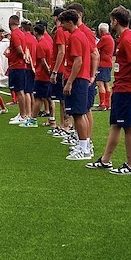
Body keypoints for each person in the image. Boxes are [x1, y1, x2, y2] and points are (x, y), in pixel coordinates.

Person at [87, 6, 131, 174]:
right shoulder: (124, 38)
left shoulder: (128, 39)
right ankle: (106, 160)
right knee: (115, 125)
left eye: (111, 20)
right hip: (121, 88)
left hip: (129, 89)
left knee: (129, 126)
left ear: (115, 21)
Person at [58, 9, 92, 160]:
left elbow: (78, 61)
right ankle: (83, 145)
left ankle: (84, 148)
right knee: (81, 113)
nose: (61, 25)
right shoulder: (79, 35)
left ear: (70, 22)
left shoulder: (75, 37)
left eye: (63, 22)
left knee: (78, 114)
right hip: (80, 78)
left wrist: (69, 82)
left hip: (78, 79)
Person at [49, 8, 72, 137]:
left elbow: (61, 51)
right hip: (65, 68)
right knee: (64, 99)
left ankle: (65, 125)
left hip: (61, 69)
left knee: (63, 99)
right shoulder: (68, 32)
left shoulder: (60, 31)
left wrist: (55, 71)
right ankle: (65, 124)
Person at [6, 15, 28, 125]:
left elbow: (19, 49)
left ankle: (23, 115)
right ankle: (22, 114)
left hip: (16, 65)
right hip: (19, 65)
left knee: (19, 91)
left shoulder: (15, 34)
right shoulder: (21, 33)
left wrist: (21, 56)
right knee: (21, 91)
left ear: (10, 23)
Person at [96, 22, 115, 110]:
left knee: (100, 83)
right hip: (109, 63)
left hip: (103, 64)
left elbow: (96, 47)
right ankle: (108, 103)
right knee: (107, 83)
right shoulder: (110, 38)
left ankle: (102, 104)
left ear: (101, 31)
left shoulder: (104, 38)